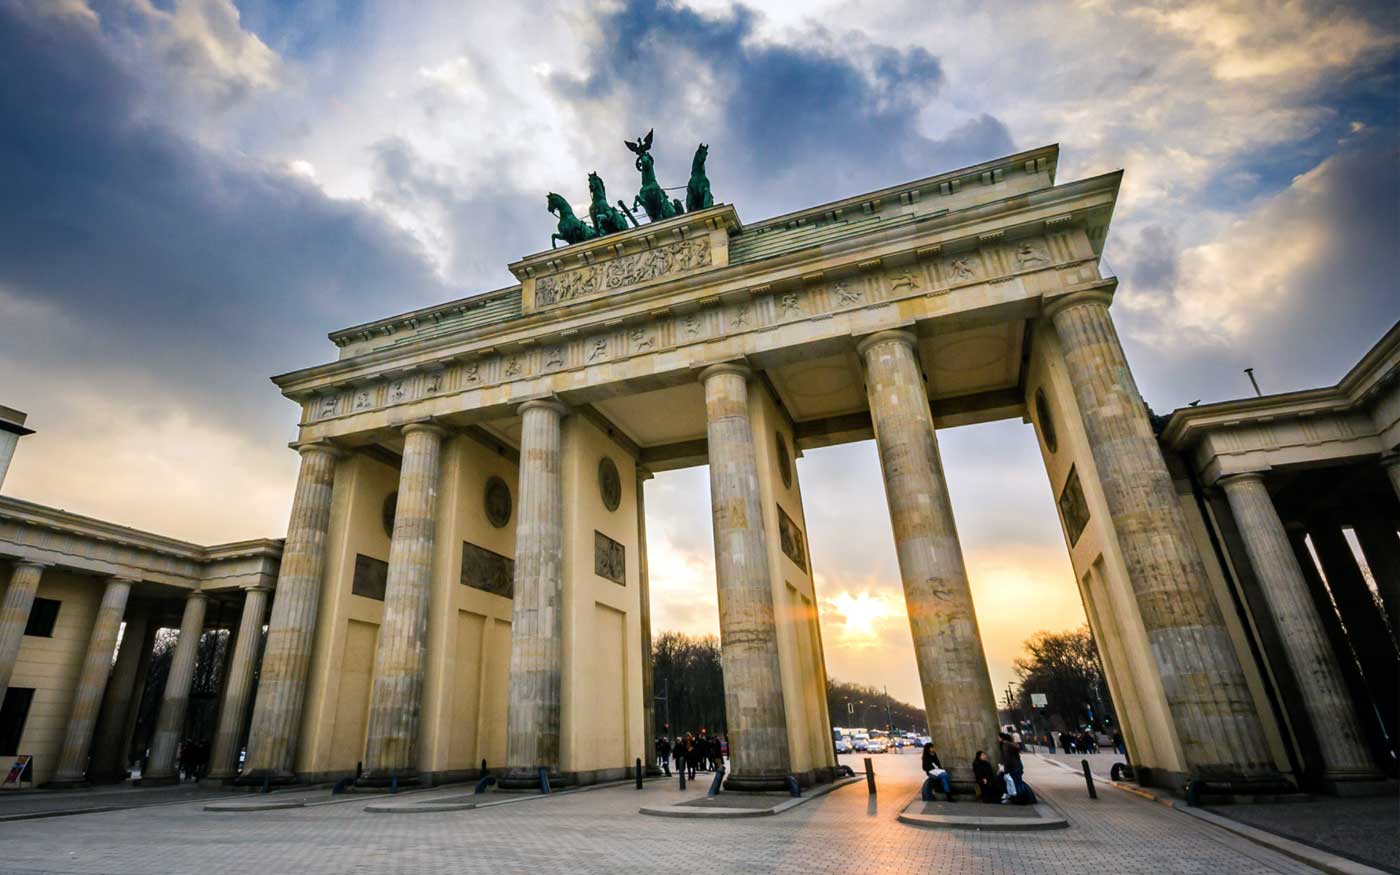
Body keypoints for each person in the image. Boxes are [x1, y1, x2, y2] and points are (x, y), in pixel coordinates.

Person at [999, 731, 1024, 797]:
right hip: (1018, 765)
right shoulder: (1011, 744)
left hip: (1013, 766)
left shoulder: (1005, 745)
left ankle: (1021, 798)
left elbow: (1007, 758)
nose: (998, 739)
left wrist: (1006, 770)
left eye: (998, 737)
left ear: (1002, 738)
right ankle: (1024, 797)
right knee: (1019, 782)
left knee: (1015, 783)